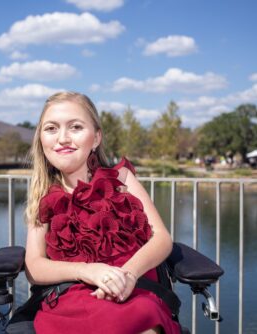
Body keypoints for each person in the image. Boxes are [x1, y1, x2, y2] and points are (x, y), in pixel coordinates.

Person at [25, 92, 180, 334]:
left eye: (75, 127)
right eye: (51, 128)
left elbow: (161, 238)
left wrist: (127, 276)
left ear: (96, 137)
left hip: (135, 287)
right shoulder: (43, 195)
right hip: (74, 296)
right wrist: (87, 271)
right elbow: (34, 266)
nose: (62, 138)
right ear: (41, 138)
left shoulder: (121, 179)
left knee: (142, 316)